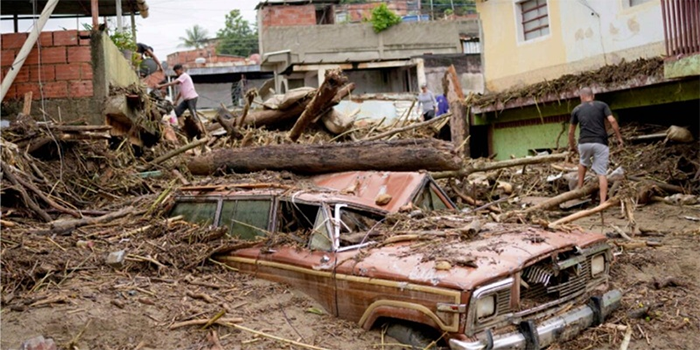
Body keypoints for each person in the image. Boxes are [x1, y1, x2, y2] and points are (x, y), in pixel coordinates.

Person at [568, 87, 624, 205]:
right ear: (593, 96)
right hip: (600, 142)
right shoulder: (602, 105)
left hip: (584, 143)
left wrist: (572, 146)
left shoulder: (577, 109)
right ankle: (603, 202)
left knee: (583, 162)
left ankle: (580, 187)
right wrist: (619, 138)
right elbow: (612, 121)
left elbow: (571, 132)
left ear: (581, 97)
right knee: (601, 172)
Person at [157, 64, 202, 138]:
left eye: (177, 72)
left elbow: (173, 83)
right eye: (175, 72)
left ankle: (201, 131)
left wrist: (161, 86)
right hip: (186, 100)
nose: (176, 73)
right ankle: (183, 127)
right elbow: (181, 92)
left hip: (192, 98)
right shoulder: (182, 79)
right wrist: (176, 101)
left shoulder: (184, 76)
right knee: (177, 112)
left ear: (181, 70)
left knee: (193, 115)